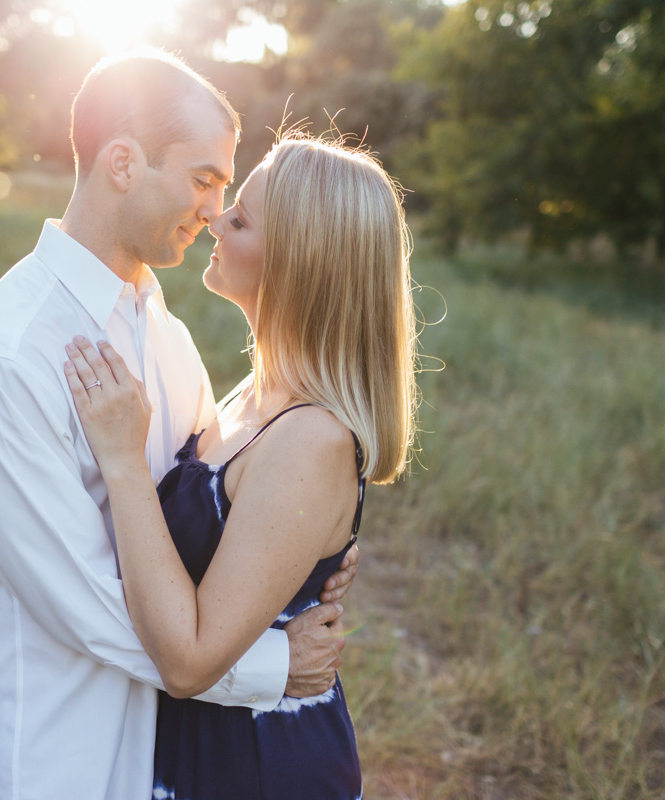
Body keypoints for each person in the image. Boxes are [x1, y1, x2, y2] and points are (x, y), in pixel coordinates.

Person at [0, 52, 359, 800]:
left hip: (172, 750)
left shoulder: (164, 333)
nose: (216, 211)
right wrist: (271, 665)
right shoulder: (4, 357)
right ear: (123, 162)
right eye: (203, 179)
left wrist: (304, 552)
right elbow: (80, 598)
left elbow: (212, 512)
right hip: (60, 754)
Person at [63, 134, 418, 799]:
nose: (215, 217)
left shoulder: (311, 438)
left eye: (243, 219)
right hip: (199, 745)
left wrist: (123, 461)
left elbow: (191, 661)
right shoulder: (250, 395)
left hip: (257, 765)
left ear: (299, 263)